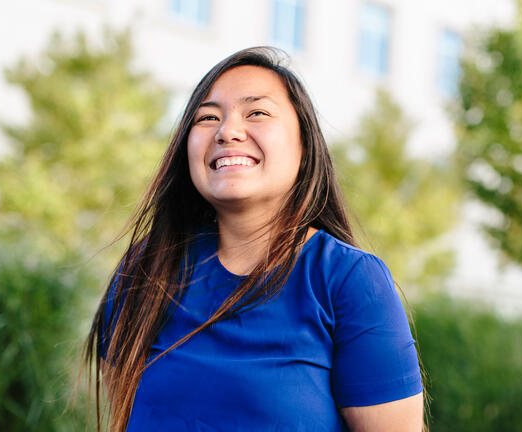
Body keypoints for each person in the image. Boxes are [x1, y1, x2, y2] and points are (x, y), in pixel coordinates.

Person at [84, 47, 424, 432]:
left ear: (305, 145)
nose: (227, 131)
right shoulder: (146, 269)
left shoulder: (349, 281)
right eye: (207, 117)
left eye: (257, 112)